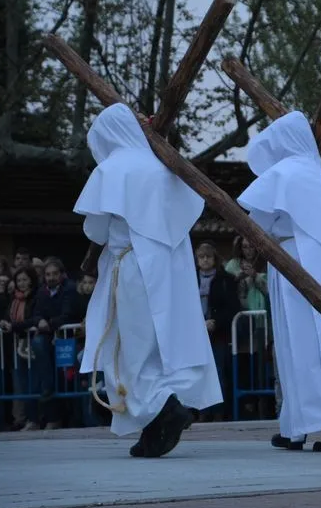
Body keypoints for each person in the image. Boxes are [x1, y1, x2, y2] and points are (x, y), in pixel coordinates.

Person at [73, 103, 222, 458]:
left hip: (131, 266)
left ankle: (162, 408)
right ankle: (155, 427)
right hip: (172, 269)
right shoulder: (165, 168)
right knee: (164, 343)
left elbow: (96, 229)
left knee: (132, 348)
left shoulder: (112, 169)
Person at [237, 111, 321, 452]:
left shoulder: (287, 173)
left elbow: (255, 220)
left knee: (300, 345)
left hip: (294, 263)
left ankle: (317, 427)